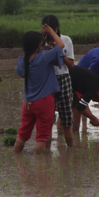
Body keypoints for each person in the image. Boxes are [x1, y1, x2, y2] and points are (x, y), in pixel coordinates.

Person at [14, 25, 64, 153]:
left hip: (28, 102)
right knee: (42, 135)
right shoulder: (43, 57)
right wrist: (52, 32)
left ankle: (17, 158)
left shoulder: (21, 60)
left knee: (23, 133)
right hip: (44, 101)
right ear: (39, 44)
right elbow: (61, 45)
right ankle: (41, 167)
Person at [42, 15, 75, 148]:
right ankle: (47, 150)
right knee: (48, 117)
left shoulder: (65, 40)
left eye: (52, 32)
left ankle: (71, 150)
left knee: (66, 117)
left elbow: (71, 64)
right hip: (47, 79)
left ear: (57, 28)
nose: (50, 36)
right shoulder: (40, 42)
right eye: (47, 33)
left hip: (63, 78)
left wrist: (58, 51)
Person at [69, 66, 99, 135]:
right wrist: (94, 118)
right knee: (64, 111)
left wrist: (91, 118)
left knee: (74, 110)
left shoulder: (96, 82)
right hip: (62, 79)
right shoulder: (94, 88)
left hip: (71, 85)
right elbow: (80, 107)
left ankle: (74, 136)